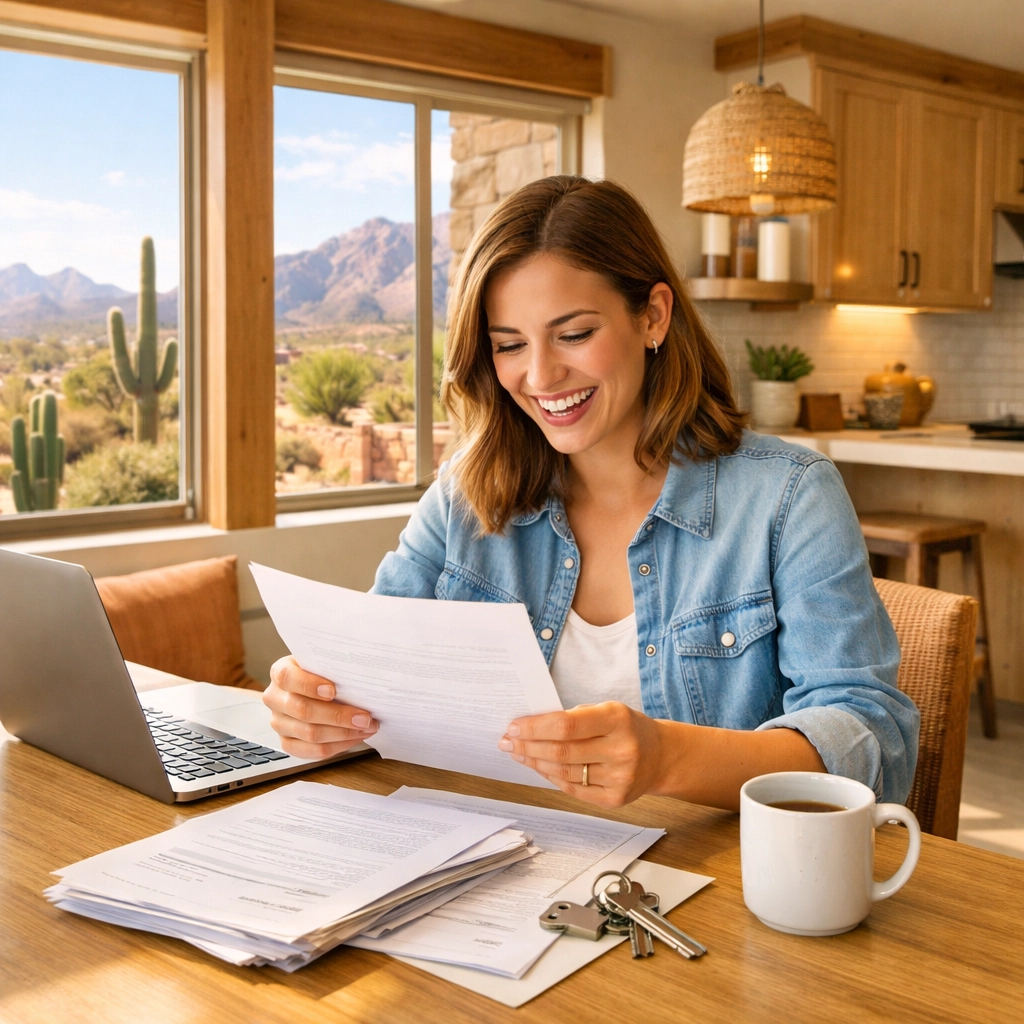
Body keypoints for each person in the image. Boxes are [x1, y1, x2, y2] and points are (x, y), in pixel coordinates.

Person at [263, 175, 919, 811]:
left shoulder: (788, 499)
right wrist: (318, 709)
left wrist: (667, 758)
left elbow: (873, 744)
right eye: (509, 345)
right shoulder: (465, 494)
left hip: (712, 892)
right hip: (493, 871)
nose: (542, 375)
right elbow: (371, 676)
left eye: (574, 334)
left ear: (653, 316)